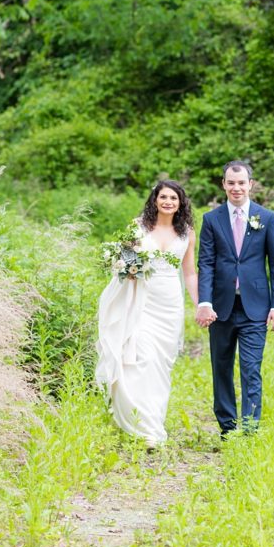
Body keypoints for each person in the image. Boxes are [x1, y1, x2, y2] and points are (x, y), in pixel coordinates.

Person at [96, 180, 198, 447]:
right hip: (142, 299)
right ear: (155, 200)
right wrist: (126, 270)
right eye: (163, 197)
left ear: (180, 203)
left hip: (170, 303)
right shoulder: (139, 227)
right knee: (141, 356)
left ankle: (154, 420)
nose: (168, 202)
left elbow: (189, 272)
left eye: (173, 198)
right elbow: (125, 260)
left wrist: (200, 304)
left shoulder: (187, 232)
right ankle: (142, 426)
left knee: (161, 365)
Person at [196, 160, 274, 435]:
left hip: (255, 308)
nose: (236, 188)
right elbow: (206, 263)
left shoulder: (266, 218)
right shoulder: (211, 220)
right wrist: (205, 302)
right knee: (221, 367)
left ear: (251, 185)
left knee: (250, 368)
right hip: (220, 308)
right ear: (223, 185)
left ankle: (248, 428)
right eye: (231, 183)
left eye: (241, 182)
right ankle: (227, 426)